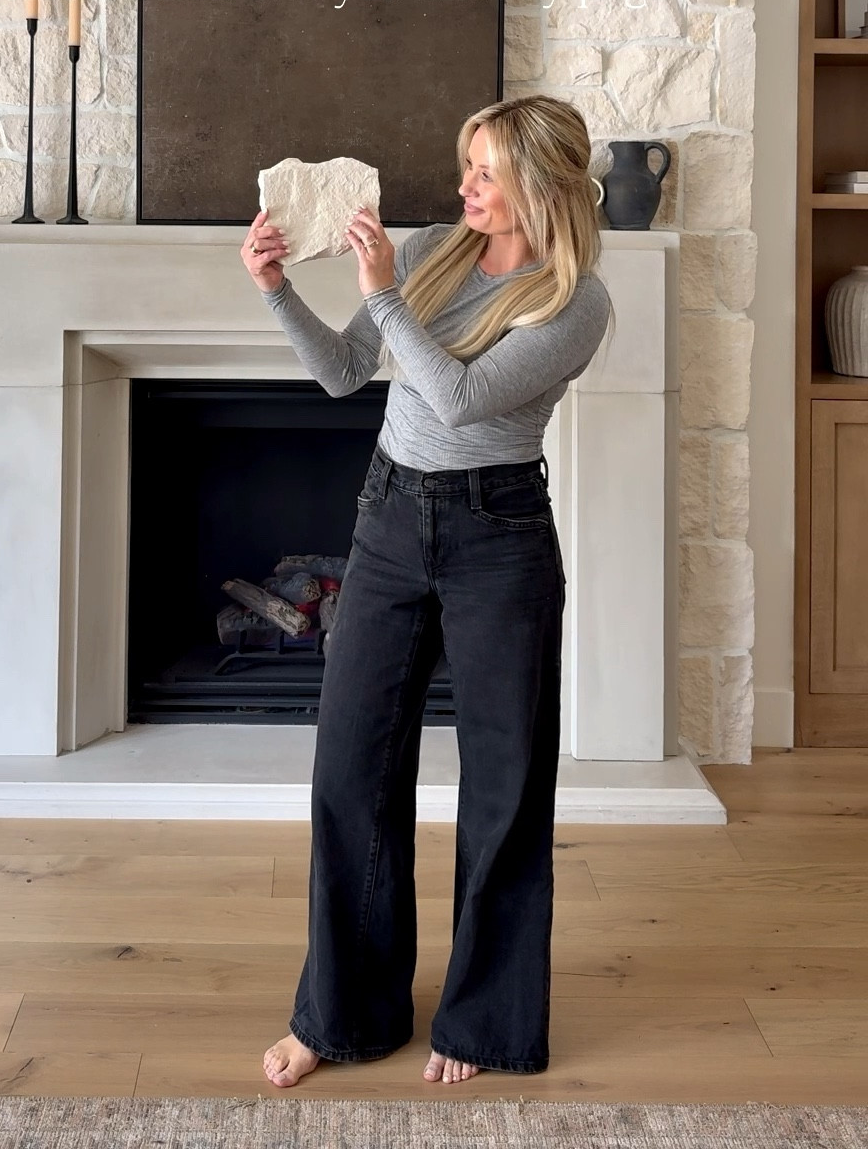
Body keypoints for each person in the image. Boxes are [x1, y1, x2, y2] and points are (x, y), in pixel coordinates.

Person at [241, 94, 613, 1088]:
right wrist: (279, 291)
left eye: (484, 172)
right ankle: (342, 1016)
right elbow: (344, 376)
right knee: (350, 769)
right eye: (468, 169)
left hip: (499, 536)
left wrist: (380, 292)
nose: (464, 189)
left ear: (541, 183)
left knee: (506, 783)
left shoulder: (576, 300)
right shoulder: (436, 247)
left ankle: (486, 1022)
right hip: (392, 520)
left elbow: (453, 399)